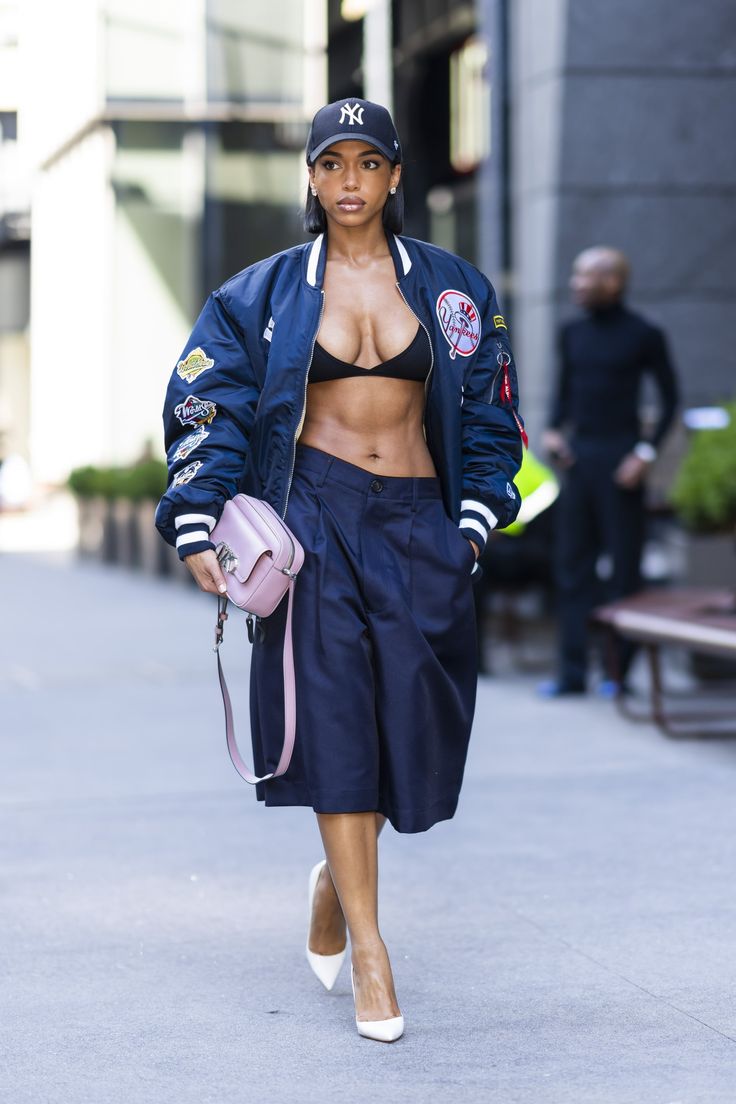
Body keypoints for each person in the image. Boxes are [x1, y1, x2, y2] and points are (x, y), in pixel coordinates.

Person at [155, 99, 525, 1041]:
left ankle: (336, 876)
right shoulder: (259, 295)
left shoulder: (452, 289)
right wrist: (199, 520)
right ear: (312, 179)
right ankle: (371, 947)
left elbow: (491, 419)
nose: (350, 181)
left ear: (396, 176)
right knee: (333, 720)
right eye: (333, 164)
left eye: (369, 163)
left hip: (418, 526)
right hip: (311, 517)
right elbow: (209, 406)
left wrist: (471, 529)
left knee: (413, 727)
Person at [540, 246, 678, 697]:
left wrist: (644, 454)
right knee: (572, 567)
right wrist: (554, 432)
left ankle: (617, 674)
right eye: (576, 275)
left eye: (587, 277)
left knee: (624, 571)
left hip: (623, 463)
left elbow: (670, 400)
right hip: (579, 461)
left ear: (613, 282)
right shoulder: (571, 333)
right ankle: (572, 673)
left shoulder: (644, 334)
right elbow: (562, 395)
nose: (577, 284)